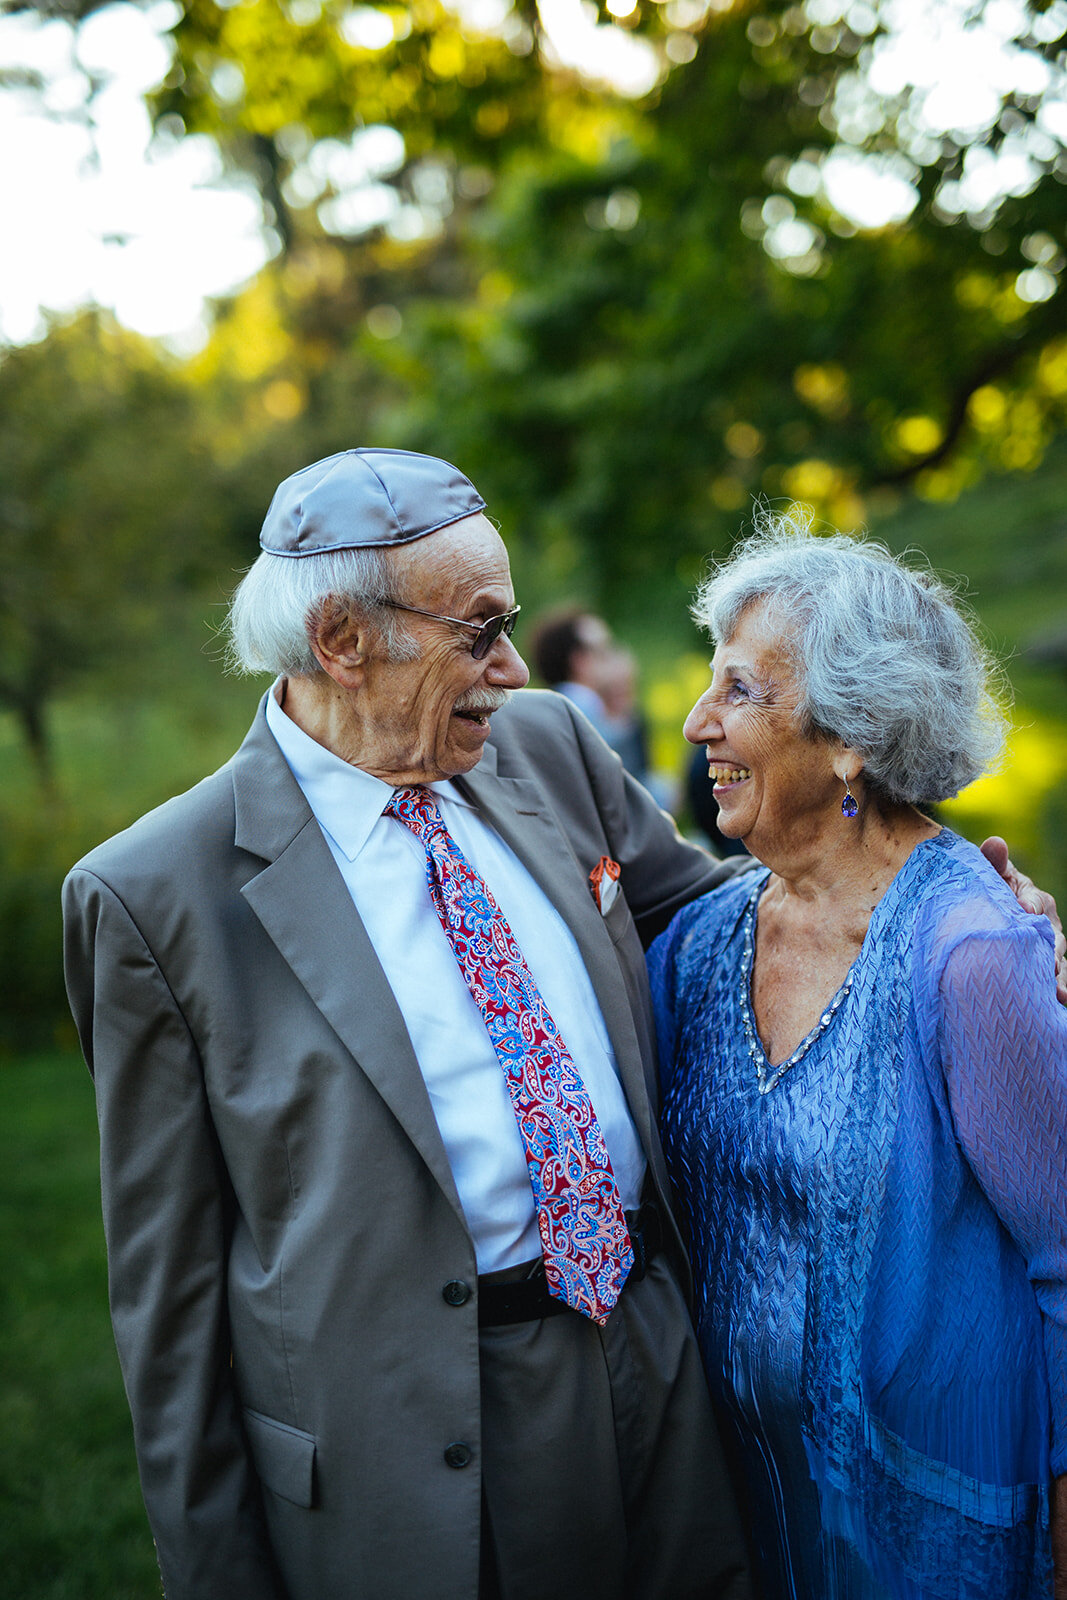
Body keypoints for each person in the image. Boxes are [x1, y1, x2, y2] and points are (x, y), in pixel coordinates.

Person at [62, 448, 752, 1600]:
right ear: (340, 639)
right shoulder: (153, 894)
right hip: (421, 1447)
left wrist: (919, 899)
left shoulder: (549, 747)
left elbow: (714, 909)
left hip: (655, 1350)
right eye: (477, 630)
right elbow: (168, 1304)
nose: (514, 665)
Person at [648, 518, 1067, 1599]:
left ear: (848, 737)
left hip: (931, 1525)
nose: (697, 721)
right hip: (743, 1505)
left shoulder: (969, 955)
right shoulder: (696, 948)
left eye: (739, 691)